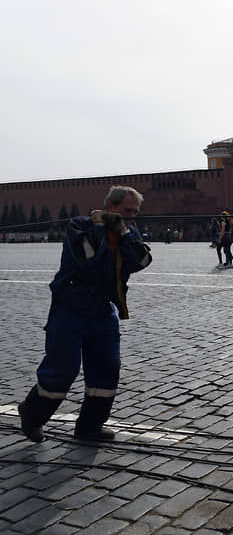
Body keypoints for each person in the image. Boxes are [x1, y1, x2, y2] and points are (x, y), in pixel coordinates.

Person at [17, 186, 152, 442]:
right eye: (127, 210)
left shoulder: (129, 232)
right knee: (62, 370)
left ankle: (90, 426)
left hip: (103, 310)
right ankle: (32, 414)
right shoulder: (79, 226)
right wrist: (102, 229)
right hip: (71, 308)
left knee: (107, 368)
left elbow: (141, 262)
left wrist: (123, 233)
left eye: (135, 211)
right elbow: (86, 257)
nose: (132, 215)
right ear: (111, 207)